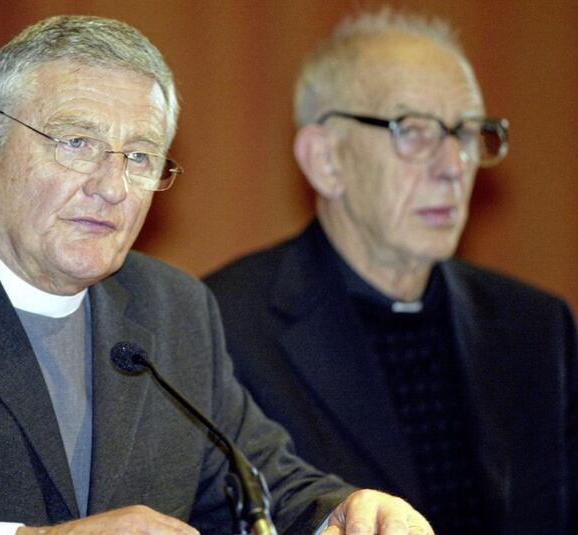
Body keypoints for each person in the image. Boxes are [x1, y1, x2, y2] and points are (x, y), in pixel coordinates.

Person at [0, 14, 433, 535]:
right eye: (76, 142)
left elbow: (260, 481)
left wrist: (343, 510)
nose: (113, 186)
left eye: (141, 156)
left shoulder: (175, 305)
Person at [205, 7, 577, 535]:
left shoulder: (536, 326)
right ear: (325, 160)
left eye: (468, 132)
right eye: (414, 131)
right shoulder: (225, 328)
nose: (453, 165)